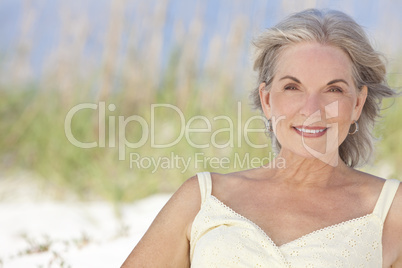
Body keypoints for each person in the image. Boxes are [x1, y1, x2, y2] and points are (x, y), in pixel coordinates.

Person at [121, 9, 402, 267]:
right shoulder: (204, 197)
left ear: (357, 103)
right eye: (292, 87)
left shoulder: (391, 209)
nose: (312, 110)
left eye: (334, 90)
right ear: (266, 100)